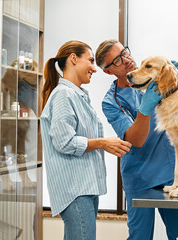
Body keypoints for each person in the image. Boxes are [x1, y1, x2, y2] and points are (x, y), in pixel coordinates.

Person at [95, 39, 178, 240]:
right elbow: (136, 139)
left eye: (124, 52)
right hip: (140, 178)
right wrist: (146, 107)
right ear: (108, 71)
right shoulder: (111, 101)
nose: (126, 60)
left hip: (170, 173)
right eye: (117, 60)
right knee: (140, 238)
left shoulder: (156, 76)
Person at [40, 40, 132, 240]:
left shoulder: (77, 95)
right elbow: (64, 142)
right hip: (75, 189)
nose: (94, 68)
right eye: (90, 61)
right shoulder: (64, 95)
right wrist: (102, 142)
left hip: (84, 188)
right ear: (73, 59)